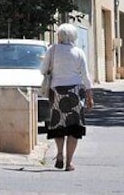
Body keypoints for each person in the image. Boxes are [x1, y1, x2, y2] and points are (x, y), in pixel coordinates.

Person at [40, 23, 94, 172]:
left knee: (58, 124)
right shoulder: (78, 52)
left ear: (61, 36)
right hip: (75, 92)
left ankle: (59, 154)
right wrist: (90, 96)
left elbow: (42, 70)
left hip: (56, 92)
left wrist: (50, 66)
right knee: (74, 128)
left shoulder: (53, 50)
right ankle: (69, 163)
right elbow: (86, 76)